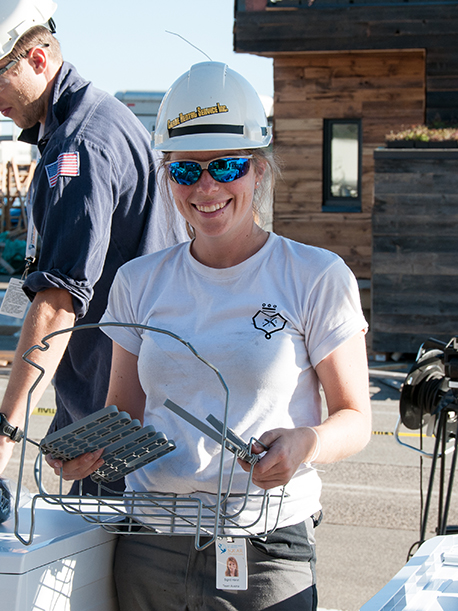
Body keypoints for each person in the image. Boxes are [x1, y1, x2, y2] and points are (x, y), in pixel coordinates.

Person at [54, 62, 373, 610]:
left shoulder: (316, 276)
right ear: (167, 174)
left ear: (259, 170)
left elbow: (356, 418)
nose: (206, 187)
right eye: (185, 171)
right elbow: (123, 415)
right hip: (151, 543)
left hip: (266, 547)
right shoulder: (138, 281)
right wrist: (91, 453)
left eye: (226, 166)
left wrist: (306, 443)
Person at [0, 0, 186, 486]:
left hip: (123, 414)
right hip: (108, 398)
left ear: (37, 60)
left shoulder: (80, 145)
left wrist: (3, 432)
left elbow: (57, 302)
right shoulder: (74, 129)